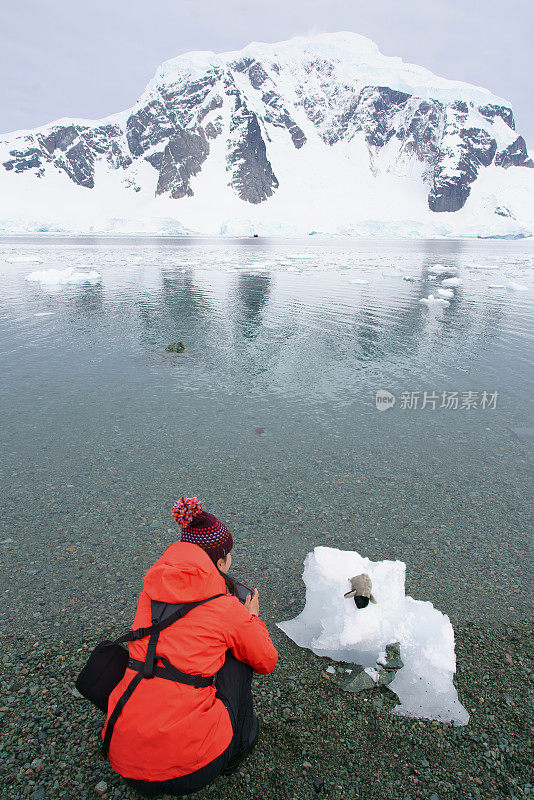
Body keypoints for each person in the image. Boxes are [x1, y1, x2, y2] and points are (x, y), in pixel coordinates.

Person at [101, 496, 278, 797]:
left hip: (121, 759)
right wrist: (252, 620)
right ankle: (240, 746)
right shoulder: (225, 607)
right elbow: (267, 661)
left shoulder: (151, 590)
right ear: (221, 561)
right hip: (194, 768)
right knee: (240, 656)